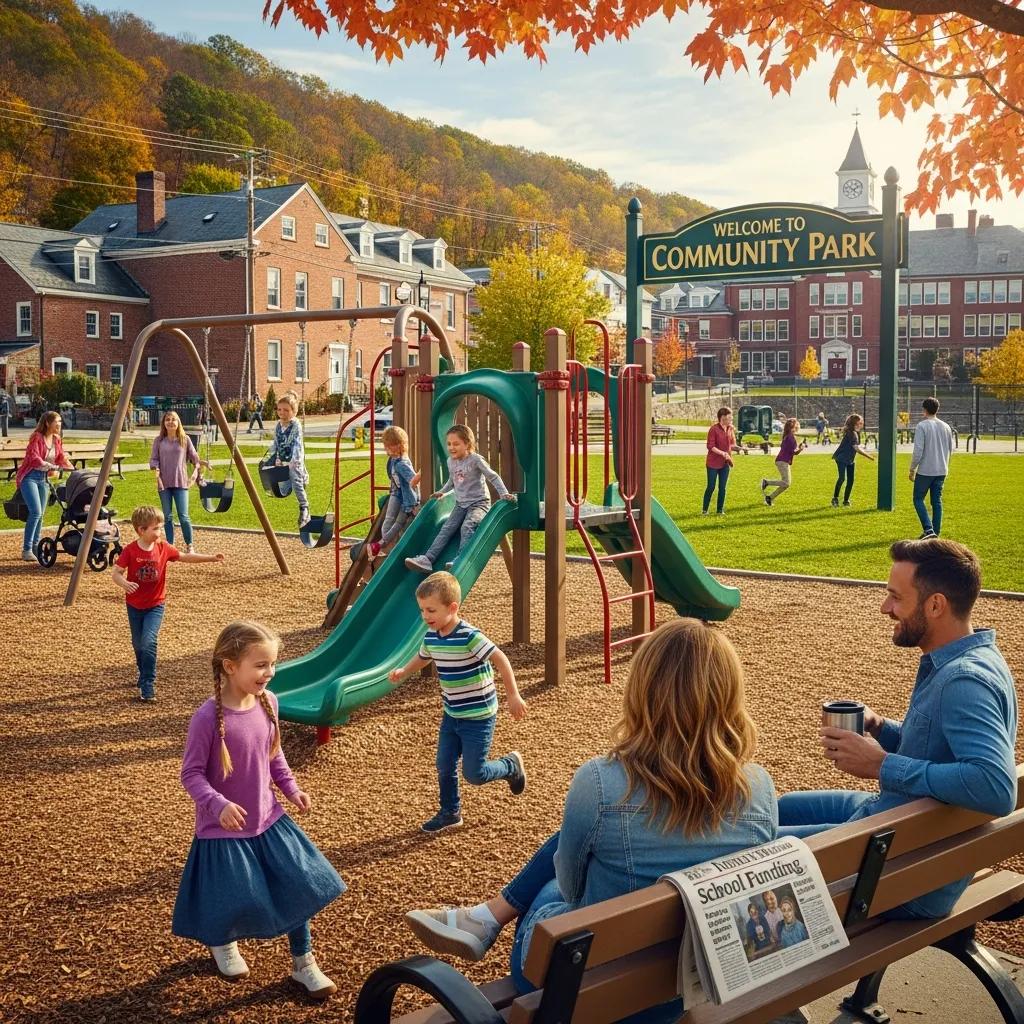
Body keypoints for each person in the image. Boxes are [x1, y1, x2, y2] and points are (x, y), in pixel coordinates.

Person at [402, 618, 777, 1024]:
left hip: (588, 987)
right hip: (697, 980)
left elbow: (571, 886)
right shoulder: (758, 786)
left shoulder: (601, 781)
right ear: (730, 695)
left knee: (551, 891)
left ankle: (485, 918)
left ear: (642, 690)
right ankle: (482, 919)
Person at [778, 538, 1018, 918]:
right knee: (769, 812)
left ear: (935, 605)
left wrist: (881, 765)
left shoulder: (963, 682)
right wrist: (880, 727)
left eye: (895, 597)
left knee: (753, 847)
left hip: (901, 873)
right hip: (901, 828)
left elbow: (995, 786)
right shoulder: (972, 658)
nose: (885, 608)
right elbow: (937, 748)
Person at [173, 620, 344, 997]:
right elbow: (191, 774)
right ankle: (223, 942)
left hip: (268, 818)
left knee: (300, 885)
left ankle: (304, 962)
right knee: (232, 895)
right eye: (261, 664)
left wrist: (292, 788)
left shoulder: (269, 702)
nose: (269, 672)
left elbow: (274, 754)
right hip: (224, 828)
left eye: (272, 664)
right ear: (230, 666)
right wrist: (217, 805)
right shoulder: (206, 719)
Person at [388, 571, 527, 833]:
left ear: (452, 608)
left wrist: (513, 694)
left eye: (431, 610)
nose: (425, 616)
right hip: (452, 714)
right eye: (422, 610)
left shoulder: (469, 636)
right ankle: (450, 812)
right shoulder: (431, 636)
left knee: (475, 774)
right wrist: (404, 671)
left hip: (479, 715)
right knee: (444, 764)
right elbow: (424, 656)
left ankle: (510, 765)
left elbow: (500, 659)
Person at [112, 506, 225, 702]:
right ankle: (142, 671)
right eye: (156, 528)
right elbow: (116, 573)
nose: (160, 532)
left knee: (149, 641)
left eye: (161, 527)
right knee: (138, 644)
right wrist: (124, 583)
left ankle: (148, 682)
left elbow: (184, 557)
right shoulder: (130, 551)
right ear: (141, 530)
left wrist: (211, 558)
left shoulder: (163, 548)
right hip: (134, 605)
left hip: (156, 605)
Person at [404, 424, 514, 573]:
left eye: (456, 444)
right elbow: (452, 481)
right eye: (449, 444)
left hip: (479, 503)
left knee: (467, 526)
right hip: (461, 504)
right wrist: (442, 492)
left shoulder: (476, 460)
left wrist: (503, 494)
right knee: (446, 529)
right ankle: (428, 559)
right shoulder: (451, 461)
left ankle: (460, 559)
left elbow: (493, 476)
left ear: (467, 443)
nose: (451, 447)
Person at [16, 410, 73, 562]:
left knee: (41, 515)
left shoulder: (56, 439)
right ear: (48, 423)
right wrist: (51, 466)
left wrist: (70, 466)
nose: (60, 424)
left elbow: (60, 456)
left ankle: (36, 547)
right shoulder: (37, 437)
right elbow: (34, 458)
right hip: (30, 477)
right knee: (35, 512)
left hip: (44, 478)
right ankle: (26, 549)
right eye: (57, 422)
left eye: (60, 422)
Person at [150, 410, 210, 553]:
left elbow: (194, 457)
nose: (170, 422)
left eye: (173, 419)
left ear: (178, 423)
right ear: (164, 423)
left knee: (183, 516)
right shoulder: (159, 440)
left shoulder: (185, 439)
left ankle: (190, 545)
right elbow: (153, 459)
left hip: (181, 482)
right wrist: (155, 468)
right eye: (167, 419)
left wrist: (202, 463)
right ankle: (170, 546)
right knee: (168, 516)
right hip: (164, 483)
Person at [365, 425, 420, 562]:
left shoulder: (402, 464)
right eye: (386, 445)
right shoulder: (393, 460)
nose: (387, 449)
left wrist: (422, 472)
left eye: (391, 446)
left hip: (406, 499)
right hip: (396, 494)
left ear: (401, 445)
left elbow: (413, 481)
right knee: (389, 521)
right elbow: (393, 478)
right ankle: (385, 546)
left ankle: (381, 545)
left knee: (399, 522)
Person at [909, 397, 954, 539]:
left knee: (918, 499)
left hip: (926, 470)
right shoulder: (946, 426)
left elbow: (918, 450)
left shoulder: (922, 426)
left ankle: (929, 530)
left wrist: (912, 468)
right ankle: (936, 531)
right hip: (942, 469)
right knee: (936, 501)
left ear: (924, 410)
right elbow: (950, 449)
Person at [265, 393, 309, 529]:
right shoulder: (278, 425)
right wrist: (272, 456)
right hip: (283, 459)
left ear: (294, 412)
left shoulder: (295, 424)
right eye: (279, 410)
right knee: (283, 487)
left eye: (286, 410)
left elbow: (295, 443)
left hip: (295, 458)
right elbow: (276, 442)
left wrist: (293, 460)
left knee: (295, 481)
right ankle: (304, 477)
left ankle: (304, 508)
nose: (282, 413)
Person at [702, 406, 740, 516]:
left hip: (725, 463)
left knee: (722, 488)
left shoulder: (730, 429)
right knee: (711, 487)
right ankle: (705, 510)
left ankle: (719, 510)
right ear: (722, 417)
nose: (731, 420)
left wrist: (739, 448)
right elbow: (710, 446)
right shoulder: (714, 429)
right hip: (713, 463)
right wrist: (723, 453)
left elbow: (731, 445)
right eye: (729, 418)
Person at [831, 413, 874, 507]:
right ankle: (835, 499)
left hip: (850, 459)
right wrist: (868, 456)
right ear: (855, 424)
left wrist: (865, 449)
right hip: (841, 458)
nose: (861, 425)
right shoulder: (852, 433)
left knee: (851, 480)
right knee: (842, 478)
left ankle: (846, 501)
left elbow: (856, 446)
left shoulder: (854, 432)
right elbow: (856, 449)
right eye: (860, 423)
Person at [761, 418, 807, 507]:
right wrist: (801, 448)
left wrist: (800, 447)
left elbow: (793, 451)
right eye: (797, 425)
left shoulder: (789, 436)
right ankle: (766, 482)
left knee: (786, 484)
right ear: (792, 427)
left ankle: (769, 498)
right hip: (782, 461)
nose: (798, 426)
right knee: (786, 483)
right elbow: (794, 452)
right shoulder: (790, 437)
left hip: (783, 461)